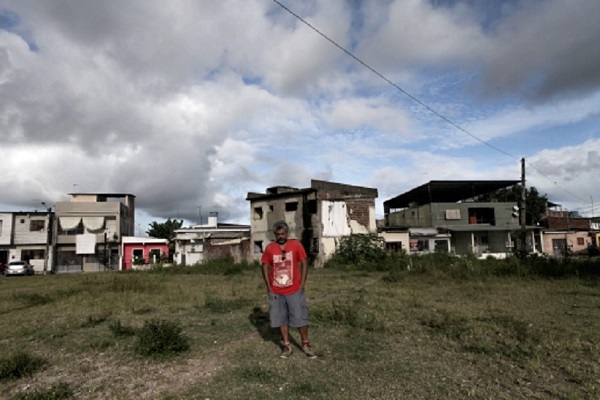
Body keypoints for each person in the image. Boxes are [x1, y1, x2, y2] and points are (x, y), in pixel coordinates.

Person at [261, 220, 316, 359]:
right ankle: (286, 346)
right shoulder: (270, 248)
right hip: (277, 292)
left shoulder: (296, 245)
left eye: (283, 233)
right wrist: (269, 287)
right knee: (281, 320)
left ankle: (305, 344)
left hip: (294, 291)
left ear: (287, 233)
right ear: (274, 234)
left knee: (300, 319)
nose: (281, 236)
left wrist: (302, 283)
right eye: (278, 234)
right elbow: (265, 266)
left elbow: (304, 262)